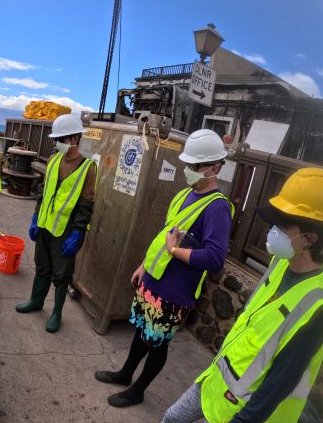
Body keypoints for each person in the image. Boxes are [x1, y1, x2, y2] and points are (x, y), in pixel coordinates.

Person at [115, 167, 323, 423]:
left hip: (242, 400)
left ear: (310, 238)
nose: (273, 232)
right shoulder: (282, 265)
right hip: (219, 374)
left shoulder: (317, 307)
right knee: (174, 416)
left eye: (284, 225)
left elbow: (283, 379)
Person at [95, 129, 233, 407]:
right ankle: (125, 374)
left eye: (195, 166)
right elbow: (164, 236)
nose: (189, 170)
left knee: (157, 342)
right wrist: (143, 266)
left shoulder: (218, 208)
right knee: (142, 332)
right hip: (154, 280)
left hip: (175, 291)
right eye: (188, 165)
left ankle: (138, 390)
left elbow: (215, 259)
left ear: (214, 167)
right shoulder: (184, 195)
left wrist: (174, 251)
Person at [15, 114, 96, 333]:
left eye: (62, 139)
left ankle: (57, 313)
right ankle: (36, 301)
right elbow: (44, 192)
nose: (57, 143)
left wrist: (78, 232)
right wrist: (35, 217)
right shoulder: (52, 161)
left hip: (65, 231)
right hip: (44, 225)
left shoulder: (87, 167)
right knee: (42, 267)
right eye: (56, 139)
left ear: (75, 139)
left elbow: (86, 203)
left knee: (61, 276)